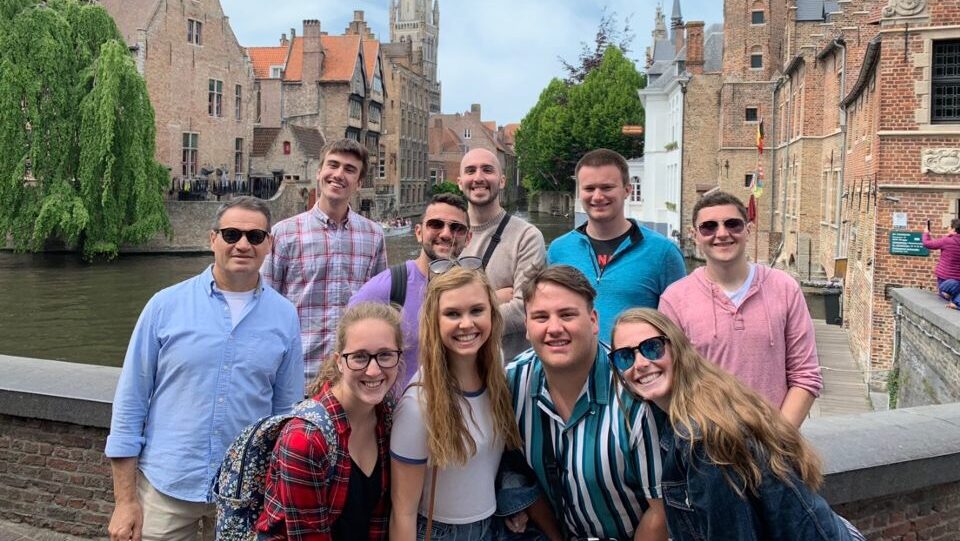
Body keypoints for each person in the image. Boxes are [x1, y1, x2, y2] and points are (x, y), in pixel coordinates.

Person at [106, 197, 304, 541]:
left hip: (244, 492)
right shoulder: (164, 305)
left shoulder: (285, 316)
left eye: (255, 236)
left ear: (269, 244)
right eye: (231, 234)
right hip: (167, 483)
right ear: (213, 239)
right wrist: (125, 501)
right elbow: (131, 401)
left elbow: (285, 416)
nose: (243, 244)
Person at [609, 308, 865, 541]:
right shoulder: (703, 401)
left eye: (652, 348)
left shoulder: (703, 439)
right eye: (625, 357)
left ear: (676, 348)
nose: (640, 364)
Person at [507, 265, 668, 541]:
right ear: (527, 327)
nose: (554, 328)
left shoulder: (634, 390)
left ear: (593, 321)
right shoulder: (512, 383)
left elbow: (661, 511)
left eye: (567, 315)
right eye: (541, 317)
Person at [658, 191, 822, 427]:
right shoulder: (675, 299)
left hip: (775, 439)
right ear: (695, 235)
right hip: (707, 441)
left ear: (749, 229)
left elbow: (805, 374)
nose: (722, 233)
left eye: (732, 224)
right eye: (709, 227)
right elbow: (672, 381)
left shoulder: (784, 287)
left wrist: (777, 438)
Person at [390, 267, 525, 541]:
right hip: (441, 533)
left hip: (494, 525)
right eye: (452, 314)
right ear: (434, 320)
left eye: (476, 311)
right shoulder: (418, 405)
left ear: (492, 313)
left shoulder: (496, 370)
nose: (466, 324)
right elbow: (403, 512)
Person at [256, 302, 402, 540]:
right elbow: (308, 536)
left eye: (385, 355)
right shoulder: (304, 438)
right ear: (339, 361)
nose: (374, 370)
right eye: (359, 357)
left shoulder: (388, 416)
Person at [262, 139, 387, 381]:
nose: (338, 174)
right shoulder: (284, 233)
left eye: (349, 169)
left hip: (353, 375)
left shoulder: (374, 235)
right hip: (298, 373)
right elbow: (266, 307)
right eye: (333, 165)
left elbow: (378, 307)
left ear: (359, 183)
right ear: (319, 172)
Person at [547, 149, 685, 342]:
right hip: (576, 360)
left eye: (607, 187)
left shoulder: (663, 252)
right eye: (589, 189)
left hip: (636, 360)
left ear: (627, 190)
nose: (597, 196)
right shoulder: (559, 250)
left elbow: (680, 326)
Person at [348, 193, 472, 386]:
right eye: (436, 224)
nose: (446, 234)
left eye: (457, 228)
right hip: (400, 403)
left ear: (468, 238)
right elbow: (348, 350)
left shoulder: (469, 292)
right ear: (419, 232)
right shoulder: (388, 287)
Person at [457, 148, 545, 360]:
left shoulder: (527, 237)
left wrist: (456, 318)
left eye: (487, 170)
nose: (478, 177)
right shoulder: (448, 234)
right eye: (470, 171)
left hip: (507, 369)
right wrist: (496, 297)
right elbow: (432, 307)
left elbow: (524, 310)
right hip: (456, 368)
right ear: (460, 182)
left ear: (502, 181)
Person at [923, 218, 960, 308]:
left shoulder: (947, 241)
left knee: (942, 303)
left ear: (954, 229)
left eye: (949, 227)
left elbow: (927, 243)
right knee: (954, 302)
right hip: (957, 279)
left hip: (945, 277)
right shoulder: (948, 239)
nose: (948, 228)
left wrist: (926, 233)